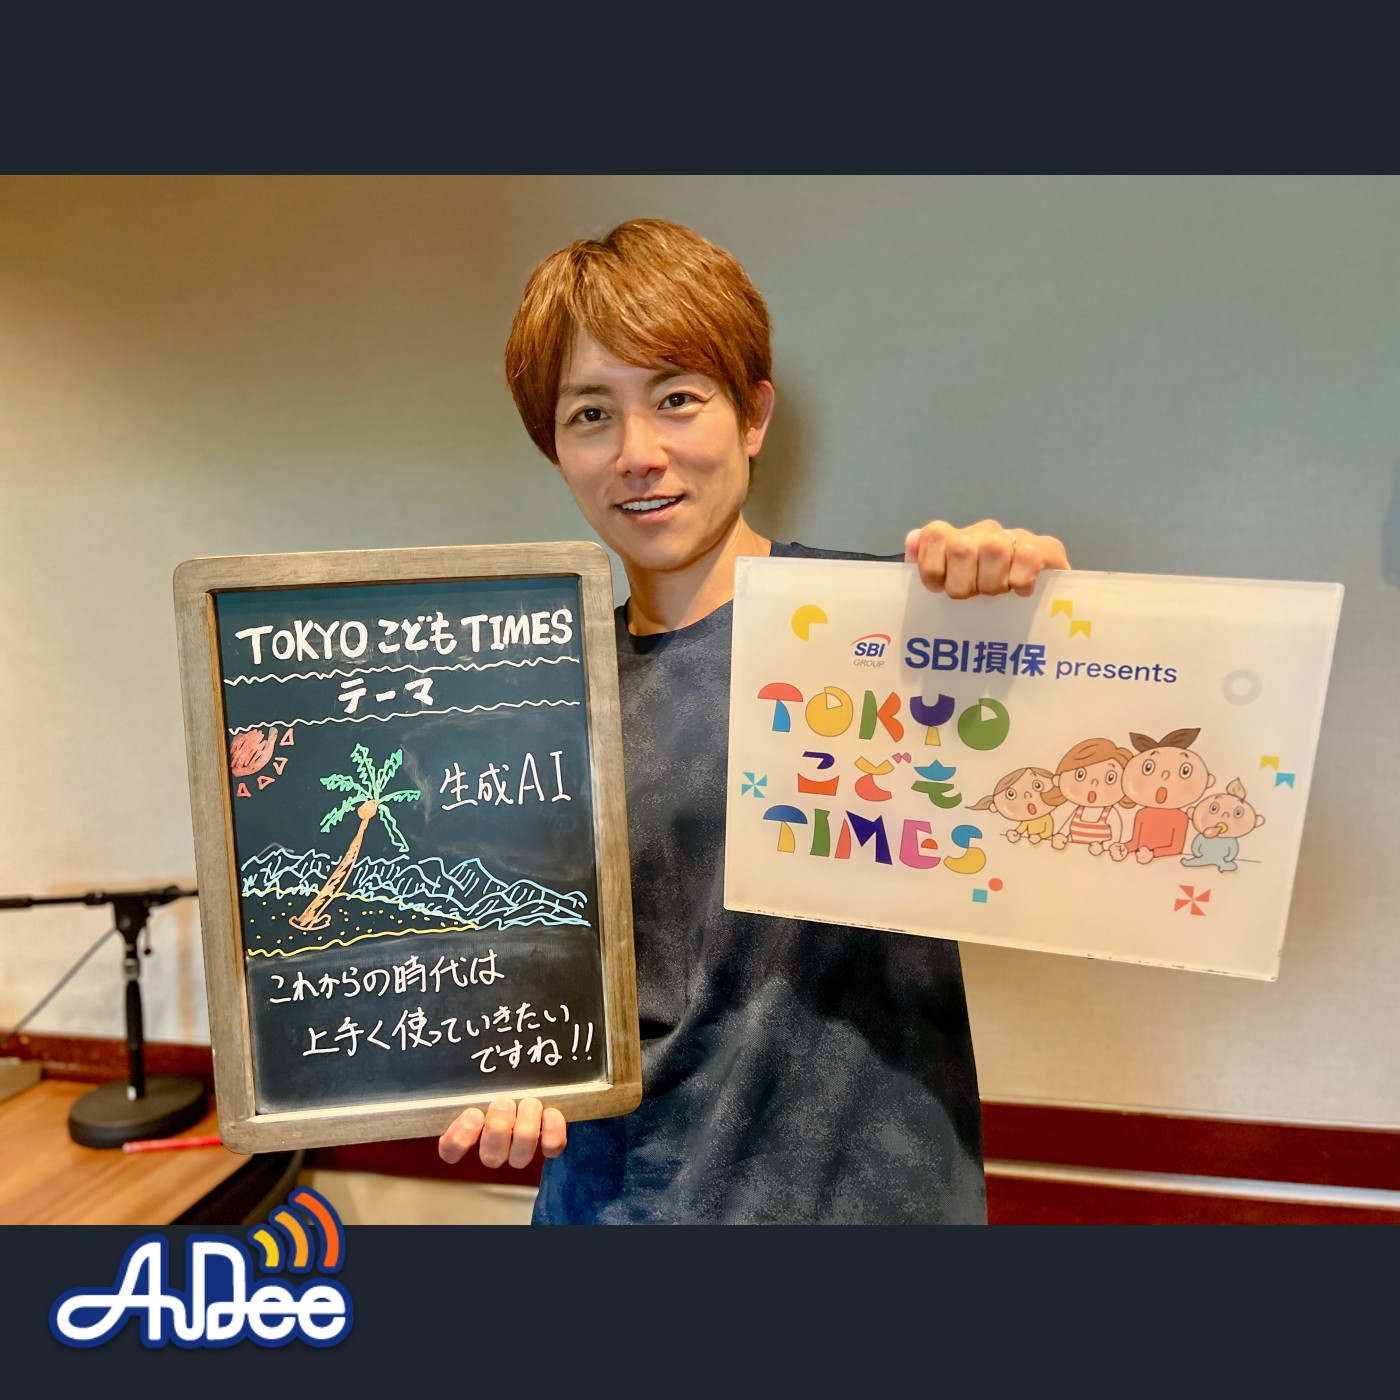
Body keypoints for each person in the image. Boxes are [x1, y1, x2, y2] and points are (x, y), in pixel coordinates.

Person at [438, 218, 1070, 1223]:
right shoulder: (536, 700)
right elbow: (517, 979)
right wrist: (501, 1064)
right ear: (554, 449)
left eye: (677, 399)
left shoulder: (894, 634)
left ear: (752, 416)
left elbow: (1073, 800)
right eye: (590, 414)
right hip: (616, 1210)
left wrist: (1029, 615)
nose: (638, 454)